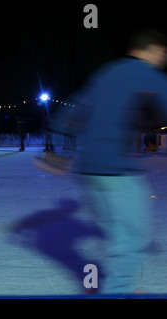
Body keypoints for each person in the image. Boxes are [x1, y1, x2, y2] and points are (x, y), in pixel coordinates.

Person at [49, 28, 167, 294]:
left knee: (117, 235)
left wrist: (55, 153)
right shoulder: (147, 73)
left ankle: (120, 285)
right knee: (131, 239)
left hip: (88, 171)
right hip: (116, 171)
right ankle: (119, 290)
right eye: (163, 53)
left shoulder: (108, 72)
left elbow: (71, 110)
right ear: (155, 50)